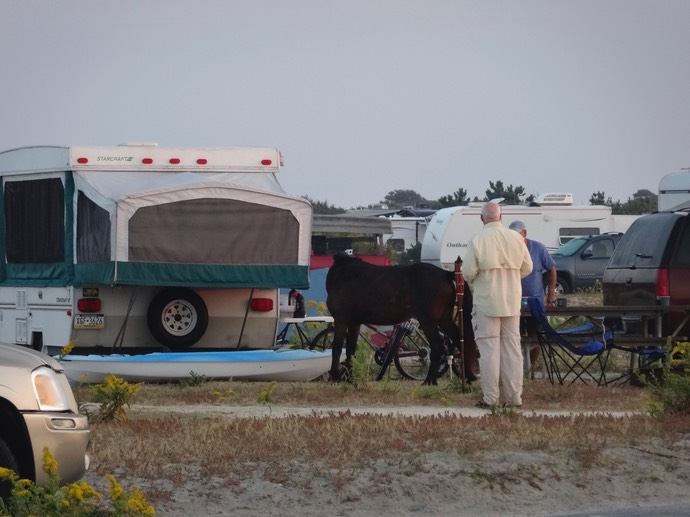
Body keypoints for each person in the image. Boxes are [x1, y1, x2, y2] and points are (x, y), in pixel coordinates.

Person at [463, 202, 533, 409]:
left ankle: (490, 399)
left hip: (486, 302)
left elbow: (467, 272)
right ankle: (514, 399)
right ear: (501, 216)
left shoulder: (477, 239)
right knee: (512, 349)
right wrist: (511, 278)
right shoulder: (516, 238)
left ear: (481, 218)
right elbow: (528, 267)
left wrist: (478, 283)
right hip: (511, 302)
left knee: (489, 351)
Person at [508, 220, 557, 373]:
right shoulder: (507, 249)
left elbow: (552, 269)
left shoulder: (538, 248)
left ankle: (531, 367)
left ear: (525, 233)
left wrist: (550, 295)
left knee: (535, 334)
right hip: (513, 302)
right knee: (513, 336)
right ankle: (516, 368)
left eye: (518, 236)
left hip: (535, 301)